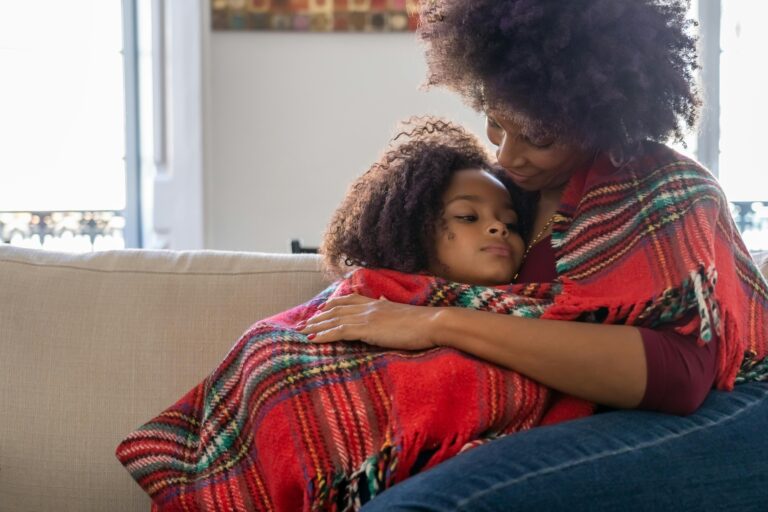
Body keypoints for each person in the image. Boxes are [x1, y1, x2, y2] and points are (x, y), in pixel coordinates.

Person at [299, 1, 768, 509]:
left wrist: (440, 322)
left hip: (733, 414)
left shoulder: (662, 187)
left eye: (537, 138)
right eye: (497, 124)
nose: (506, 155)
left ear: (598, 122)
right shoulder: (506, 200)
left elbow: (680, 375)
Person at [320, 116, 534, 287]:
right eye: (468, 217)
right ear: (413, 233)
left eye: (510, 223)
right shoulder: (365, 296)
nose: (499, 227)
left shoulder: (540, 312)